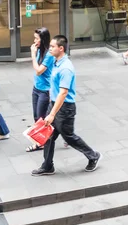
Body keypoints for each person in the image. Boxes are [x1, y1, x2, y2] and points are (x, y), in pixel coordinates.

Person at [31, 35, 102, 176]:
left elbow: (63, 93)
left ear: (61, 48)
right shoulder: (56, 62)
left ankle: (93, 155)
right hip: (55, 105)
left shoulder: (66, 68)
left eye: (52, 47)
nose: (50, 49)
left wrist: (52, 114)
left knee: (69, 136)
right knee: (49, 136)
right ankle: (47, 166)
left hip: (65, 108)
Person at [27, 27, 54, 152]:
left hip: (45, 90)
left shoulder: (49, 55)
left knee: (41, 117)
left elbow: (38, 71)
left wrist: (32, 54)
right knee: (36, 116)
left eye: (37, 39)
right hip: (36, 88)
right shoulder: (39, 51)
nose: (34, 41)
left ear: (43, 39)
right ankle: (42, 140)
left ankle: (41, 142)